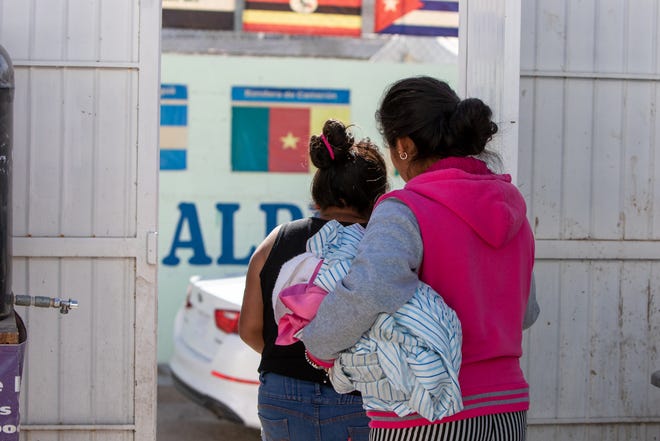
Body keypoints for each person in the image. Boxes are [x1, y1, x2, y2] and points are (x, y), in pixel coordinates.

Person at [301, 76, 538, 441]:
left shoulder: (405, 209)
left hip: (427, 412)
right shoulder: (511, 207)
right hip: (507, 409)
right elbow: (526, 313)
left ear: (405, 145)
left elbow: (370, 289)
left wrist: (319, 344)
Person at [238, 118, 389, 441]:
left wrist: (295, 362)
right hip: (358, 397)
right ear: (377, 198)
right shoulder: (382, 247)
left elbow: (249, 329)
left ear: (319, 191)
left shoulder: (276, 240)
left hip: (280, 394)